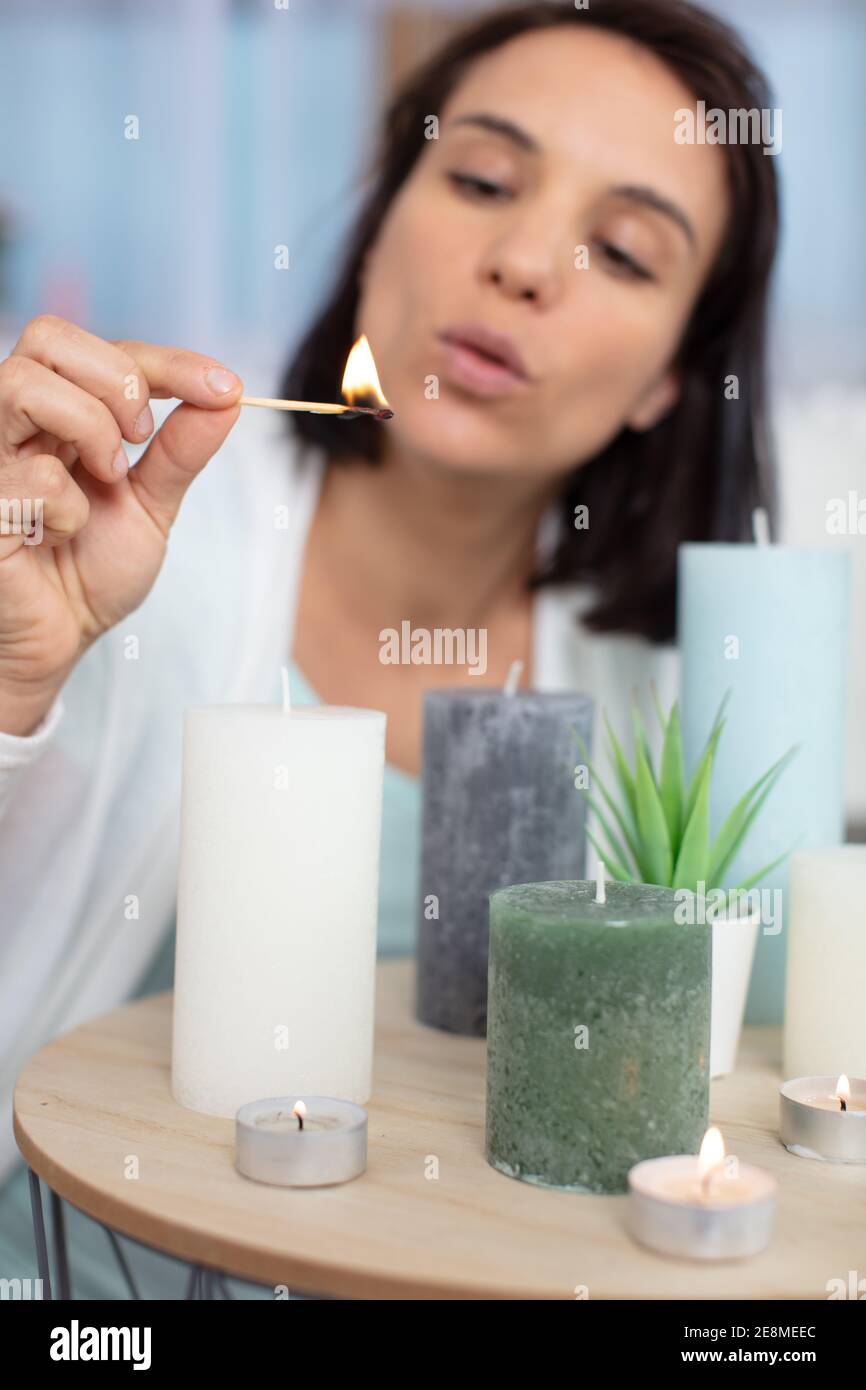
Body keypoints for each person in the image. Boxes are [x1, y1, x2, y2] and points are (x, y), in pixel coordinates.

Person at [0, 0, 778, 1298]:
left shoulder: (673, 705)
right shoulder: (114, 543)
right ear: (380, 226)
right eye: (479, 178)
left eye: (624, 251)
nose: (526, 259)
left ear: (664, 381)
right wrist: (14, 679)